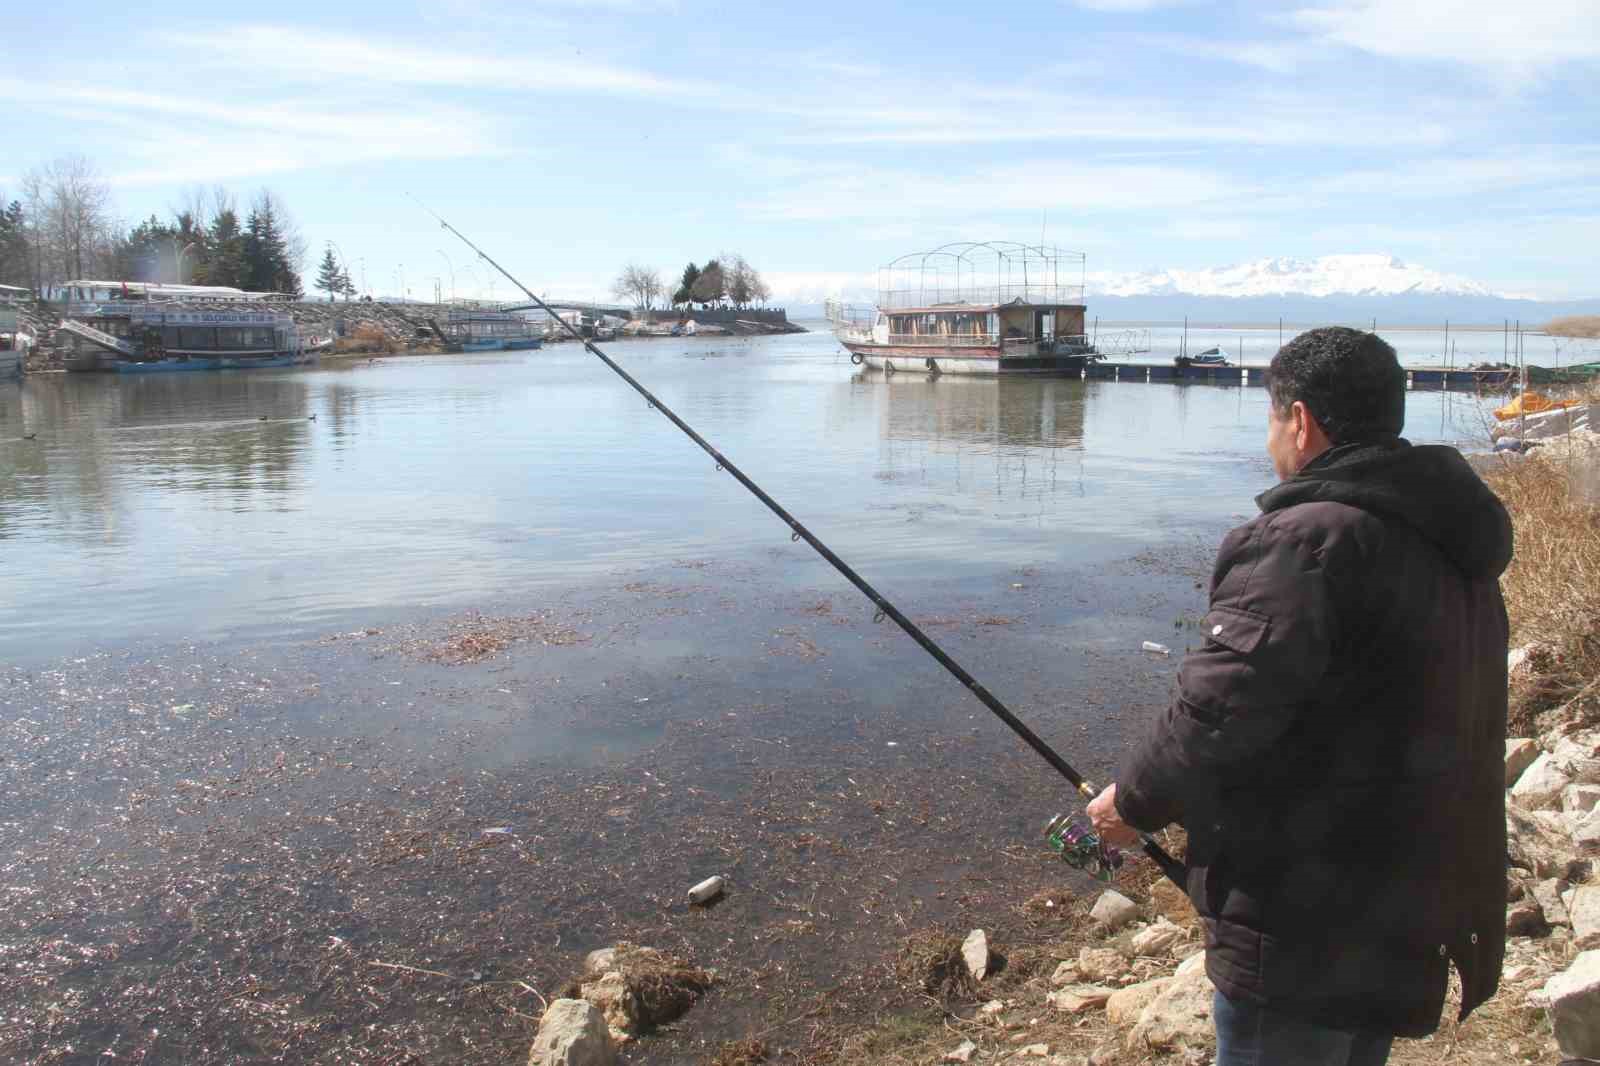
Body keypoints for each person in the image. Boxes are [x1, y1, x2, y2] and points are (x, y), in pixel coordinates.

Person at [1087, 326, 1510, 1065]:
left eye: (1273, 420)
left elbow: (1219, 707)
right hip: (1408, 898)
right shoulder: (1452, 535)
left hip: (1304, 919)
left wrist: (1132, 804)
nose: (1272, 441)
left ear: (1301, 420)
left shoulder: (1307, 539)